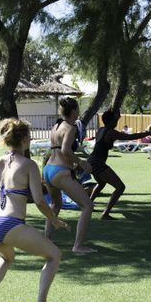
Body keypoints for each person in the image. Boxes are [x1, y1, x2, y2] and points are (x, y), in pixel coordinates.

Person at [0, 118, 70, 302]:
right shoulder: (29, 165)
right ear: (23, 139)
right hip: (10, 222)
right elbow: (40, 201)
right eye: (29, 135)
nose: (31, 138)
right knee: (54, 255)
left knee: (6, 258)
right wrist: (55, 220)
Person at [42, 97, 95, 254]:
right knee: (87, 206)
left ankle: (47, 239)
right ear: (74, 111)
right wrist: (81, 162)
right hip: (60, 171)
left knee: (56, 204)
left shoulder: (56, 125)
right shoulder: (70, 128)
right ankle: (78, 246)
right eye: (78, 108)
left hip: (48, 169)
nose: (79, 111)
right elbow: (65, 150)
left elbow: (57, 148)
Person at [88, 109, 151, 220]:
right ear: (110, 121)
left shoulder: (101, 129)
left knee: (101, 183)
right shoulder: (111, 132)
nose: (117, 121)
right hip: (98, 163)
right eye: (115, 120)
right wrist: (149, 133)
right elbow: (131, 137)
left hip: (91, 161)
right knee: (120, 187)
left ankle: (89, 205)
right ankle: (105, 213)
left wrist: (116, 115)